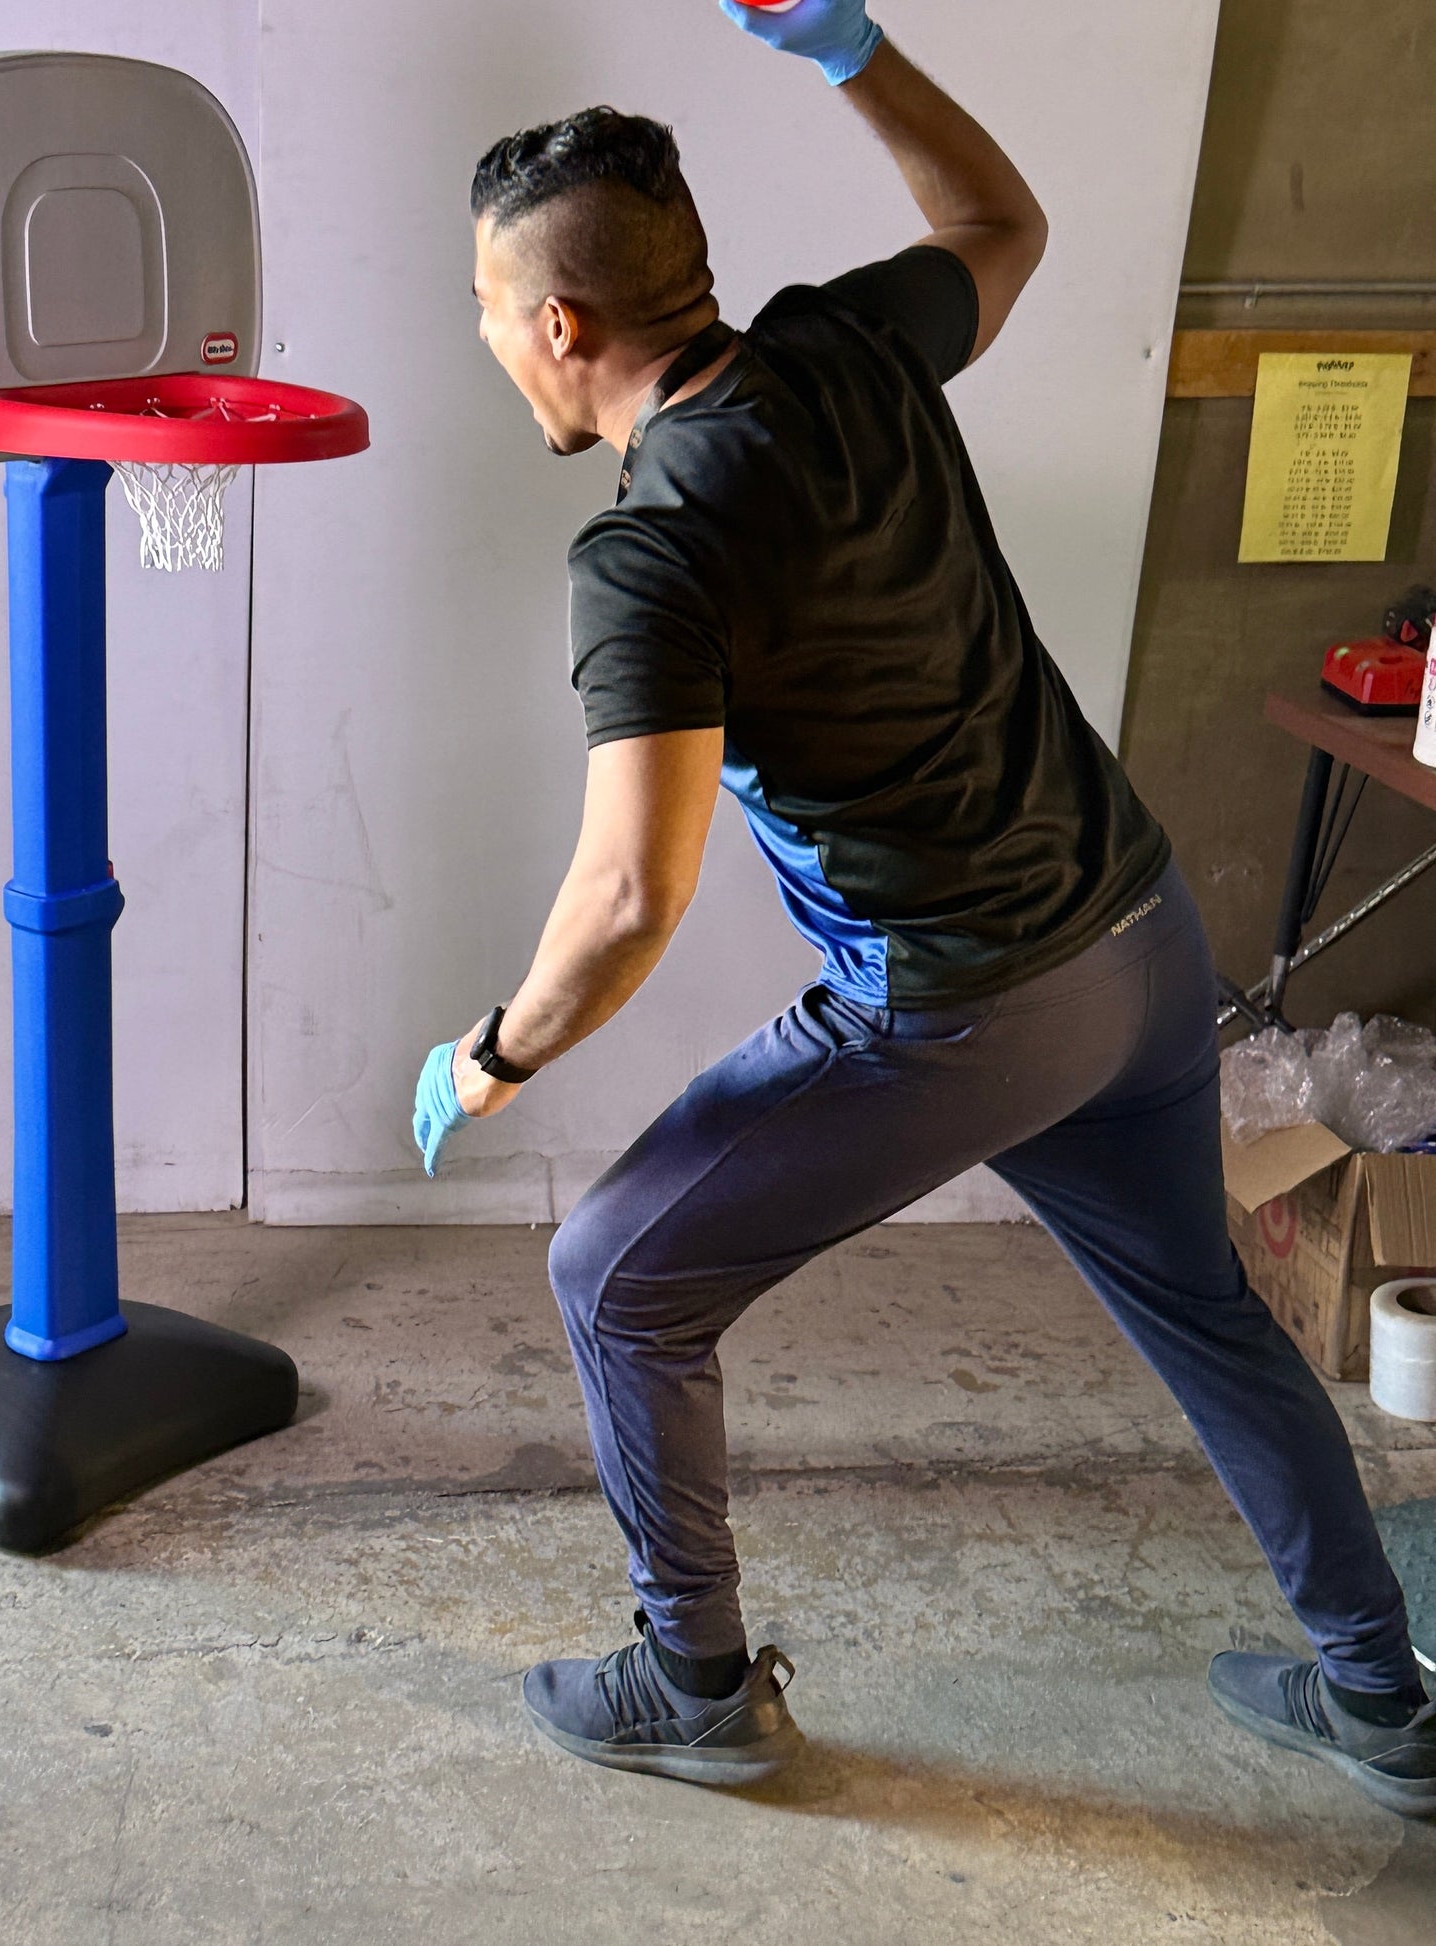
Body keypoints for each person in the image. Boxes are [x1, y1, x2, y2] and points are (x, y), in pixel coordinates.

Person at [411, 0, 1436, 1811]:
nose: (489, 339)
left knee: (612, 1277)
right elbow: (999, 224)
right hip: (1134, 933)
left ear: (556, 325)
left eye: (487, 310)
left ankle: (693, 1680)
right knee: (1201, 1306)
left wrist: (494, 1050)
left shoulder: (646, 554)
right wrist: (847, 50)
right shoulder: (844, 343)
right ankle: (1382, 1697)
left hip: (961, 1006)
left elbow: (631, 894)